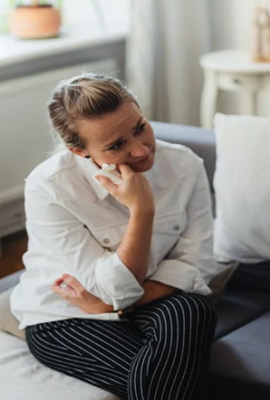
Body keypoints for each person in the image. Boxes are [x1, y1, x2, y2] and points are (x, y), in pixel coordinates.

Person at [10, 73, 224, 400]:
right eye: (116, 145)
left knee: (193, 310)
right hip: (67, 315)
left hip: (150, 298)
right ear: (78, 151)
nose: (140, 151)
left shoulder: (184, 164)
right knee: (179, 381)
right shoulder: (50, 187)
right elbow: (108, 288)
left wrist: (114, 305)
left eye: (140, 127)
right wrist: (142, 211)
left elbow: (198, 261)